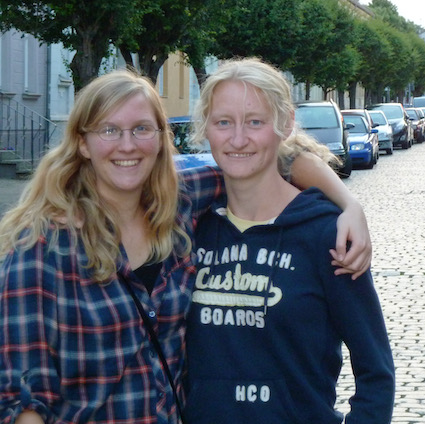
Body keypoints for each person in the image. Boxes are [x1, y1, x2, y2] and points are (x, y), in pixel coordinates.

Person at [0, 68, 371, 424]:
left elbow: (276, 159)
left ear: (162, 138)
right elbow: (21, 395)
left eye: (142, 129)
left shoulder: (181, 203)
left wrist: (349, 204)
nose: (127, 145)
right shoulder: (39, 246)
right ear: (82, 142)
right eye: (109, 130)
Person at [183, 58, 394, 424]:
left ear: (285, 124)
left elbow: (375, 371)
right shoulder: (188, 225)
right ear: (206, 129)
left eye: (255, 122)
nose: (237, 138)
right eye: (223, 123)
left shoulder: (327, 232)